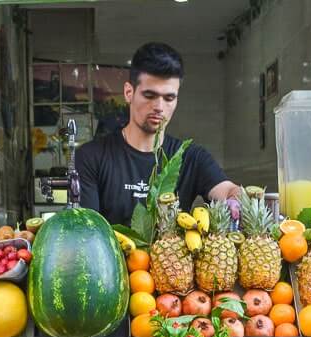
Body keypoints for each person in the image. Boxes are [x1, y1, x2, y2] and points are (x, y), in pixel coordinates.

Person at [77, 42, 240, 226]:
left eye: (169, 98)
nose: (159, 107)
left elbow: (227, 190)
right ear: (129, 92)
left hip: (173, 255)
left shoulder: (190, 157)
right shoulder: (91, 157)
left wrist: (235, 199)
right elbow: (87, 230)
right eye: (149, 96)